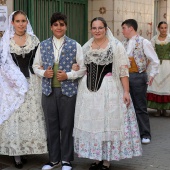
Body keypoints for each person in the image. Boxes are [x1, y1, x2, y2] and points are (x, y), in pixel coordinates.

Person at [72, 17, 142, 170]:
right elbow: (83, 68)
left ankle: (106, 161)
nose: (97, 31)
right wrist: (76, 67)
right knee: (94, 124)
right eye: (94, 28)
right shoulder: (86, 46)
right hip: (88, 92)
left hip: (109, 88)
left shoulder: (115, 46)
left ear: (105, 28)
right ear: (91, 29)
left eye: (100, 28)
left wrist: (126, 91)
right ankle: (97, 158)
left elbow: (123, 70)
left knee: (107, 122)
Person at [33, 12, 86, 170]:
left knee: (67, 126)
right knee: (51, 126)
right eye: (55, 24)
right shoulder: (43, 45)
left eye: (61, 24)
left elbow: (82, 69)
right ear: (51, 27)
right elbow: (35, 66)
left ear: (66, 26)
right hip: (48, 91)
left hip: (68, 92)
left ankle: (66, 160)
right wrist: (44, 73)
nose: (59, 27)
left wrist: (69, 75)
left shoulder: (75, 45)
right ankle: (54, 159)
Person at [0, 11, 47, 169]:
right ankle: (16, 154)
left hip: (33, 84)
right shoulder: (6, 42)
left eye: (23, 21)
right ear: (12, 23)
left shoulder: (34, 40)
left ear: (27, 22)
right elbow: (3, 65)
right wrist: (13, 80)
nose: (21, 24)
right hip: (14, 86)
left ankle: (27, 148)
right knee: (15, 117)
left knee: (31, 116)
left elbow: (40, 61)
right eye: (18, 21)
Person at [121, 19, 159, 144]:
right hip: (125, 77)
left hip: (138, 76)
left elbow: (154, 60)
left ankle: (145, 133)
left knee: (140, 106)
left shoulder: (144, 42)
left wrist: (152, 74)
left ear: (130, 28)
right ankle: (131, 133)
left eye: (124, 28)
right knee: (126, 106)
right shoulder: (123, 43)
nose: (122, 31)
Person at [147, 21, 170, 117]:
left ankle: (165, 109)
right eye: (162, 28)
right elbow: (150, 53)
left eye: (165, 27)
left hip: (167, 65)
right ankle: (158, 109)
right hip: (156, 65)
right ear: (158, 28)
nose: (164, 30)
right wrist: (146, 66)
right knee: (156, 86)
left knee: (166, 86)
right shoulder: (154, 39)